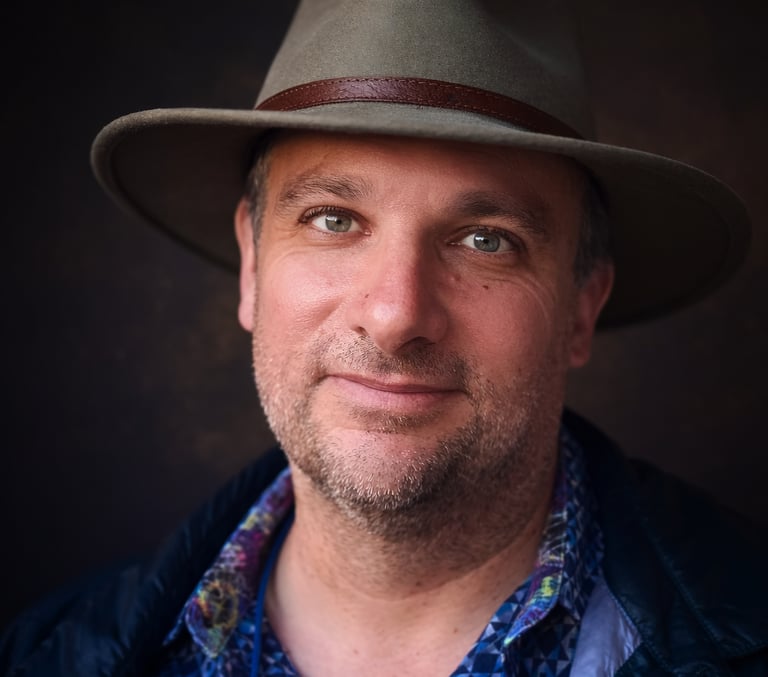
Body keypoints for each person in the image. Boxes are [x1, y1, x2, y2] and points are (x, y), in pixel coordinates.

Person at [2, 0, 766, 675]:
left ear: (579, 305)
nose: (397, 314)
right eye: (334, 219)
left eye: (485, 239)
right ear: (252, 264)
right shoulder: (43, 655)